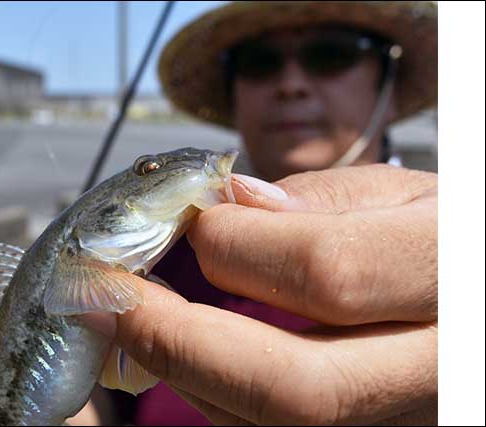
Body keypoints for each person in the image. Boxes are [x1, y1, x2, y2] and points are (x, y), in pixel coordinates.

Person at [77, 1, 437, 425]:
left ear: (388, 88)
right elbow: (98, 398)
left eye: (332, 54)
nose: (290, 84)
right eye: (259, 63)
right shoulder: (156, 251)